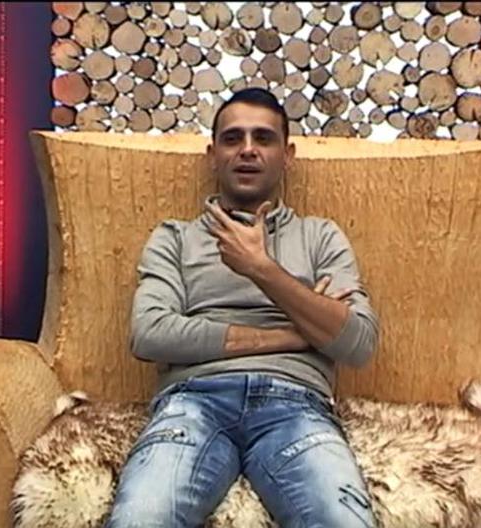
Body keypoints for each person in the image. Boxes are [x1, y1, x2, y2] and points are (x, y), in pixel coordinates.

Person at [106, 88, 380, 528]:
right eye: (233, 138)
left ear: (287, 155)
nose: (248, 149)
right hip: (193, 400)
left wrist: (260, 268)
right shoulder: (175, 238)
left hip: (296, 403)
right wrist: (296, 334)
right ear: (213, 156)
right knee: (141, 519)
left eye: (263, 138)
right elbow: (150, 334)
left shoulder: (320, 236)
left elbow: (359, 343)